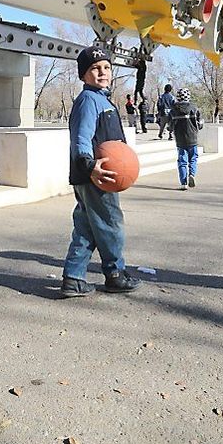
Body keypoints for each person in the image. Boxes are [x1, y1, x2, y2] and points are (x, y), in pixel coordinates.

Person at [60, 46, 141, 298]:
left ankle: (73, 278)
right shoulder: (88, 101)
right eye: (95, 68)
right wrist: (89, 165)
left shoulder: (101, 99)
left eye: (106, 67)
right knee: (109, 223)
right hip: (97, 176)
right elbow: (81, 138)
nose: (102, 72)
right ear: (83, 75)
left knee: (87, 227)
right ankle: (115, 274)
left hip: (95, 175)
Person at [170, 88, 203, 190]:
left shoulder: (173, 110)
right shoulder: (194, 108)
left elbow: (170, 126)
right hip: (192, 138)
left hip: (180, 140)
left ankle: (183, 183)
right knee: (193, 158)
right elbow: (200, 124)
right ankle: (192, 174)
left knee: (182, 161)